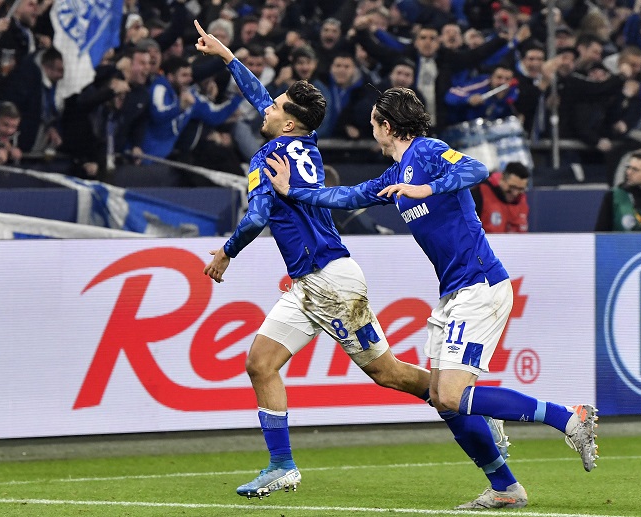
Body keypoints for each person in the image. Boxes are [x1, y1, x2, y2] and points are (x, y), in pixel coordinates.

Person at [193, 21, 508, 503]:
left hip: (328, 282)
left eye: (276, 106)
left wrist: (225, 253)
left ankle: (468, 405)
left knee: (387, 373)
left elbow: (257, 216)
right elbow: (264, 101)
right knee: (260, 363)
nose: (267, 106)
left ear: (287, 122)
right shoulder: (301, 142)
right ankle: (282, 466)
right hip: (311, 281)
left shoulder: (268, 159)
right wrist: (228, 57)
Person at [266, 86, 599, 510]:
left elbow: (478, 169)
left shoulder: (427, 151)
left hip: (480, 285)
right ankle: (505, 487)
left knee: (454, 396)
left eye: (374, 124)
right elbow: (346, 196)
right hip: (455, 292)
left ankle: (569, 418)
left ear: (387, 126)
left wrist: (429, 189)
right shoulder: (393, 175)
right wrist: (294, 191)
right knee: (444, 400)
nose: (371, 131)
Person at [471, 161, 530, 233]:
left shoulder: (522, 200)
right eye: (512, 187)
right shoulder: (479, 194)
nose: (515, 193)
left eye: (520, 189)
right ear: (502, 179)